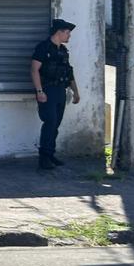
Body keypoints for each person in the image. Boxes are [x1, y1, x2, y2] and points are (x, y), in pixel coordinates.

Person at [31, 19, 80, 170]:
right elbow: (34, 70)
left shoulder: (63, 51)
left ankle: (50, 154)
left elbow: (69, 72)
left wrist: (76, 91)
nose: (69, 36)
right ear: (59, 32)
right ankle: (44, 158)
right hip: (48, 90)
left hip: (60, 91)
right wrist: (39, 91)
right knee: (50, 122)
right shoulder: (43, 47)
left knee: (56, 124)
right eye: (67, 33)